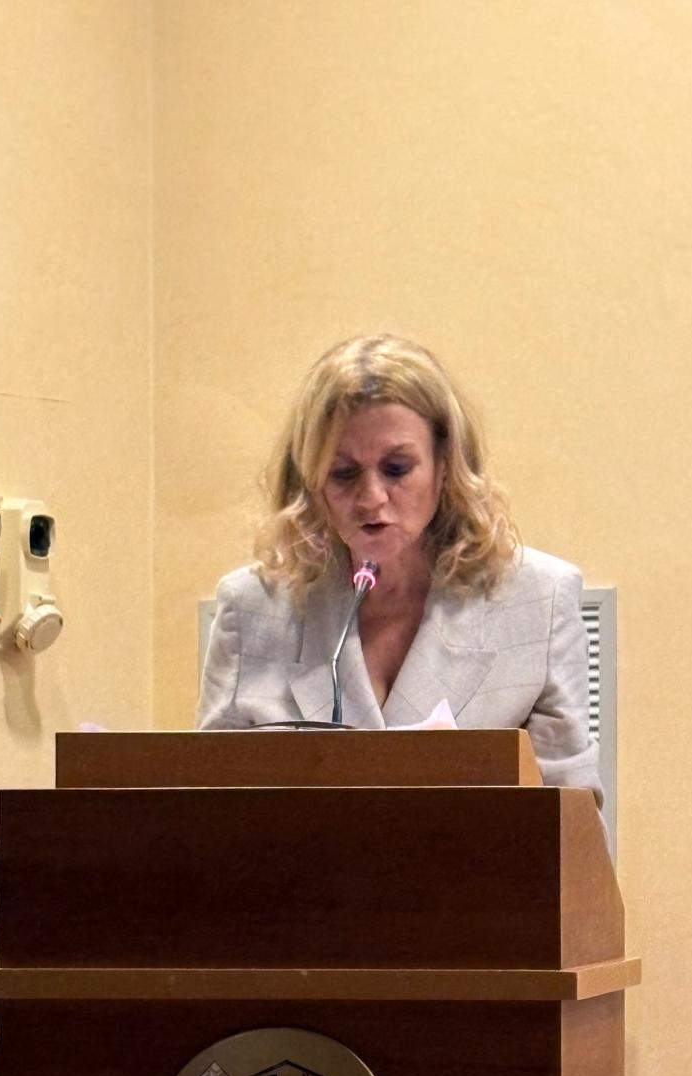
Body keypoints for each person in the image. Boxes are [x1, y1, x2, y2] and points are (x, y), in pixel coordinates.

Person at [197, 334, 602, 803]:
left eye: (396, 469)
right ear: (310, 480)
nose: (371, 499)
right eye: (343, 473)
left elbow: (574, 820)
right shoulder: (251, 611)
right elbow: (204, 811)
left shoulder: (539, 602)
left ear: (444, 466)